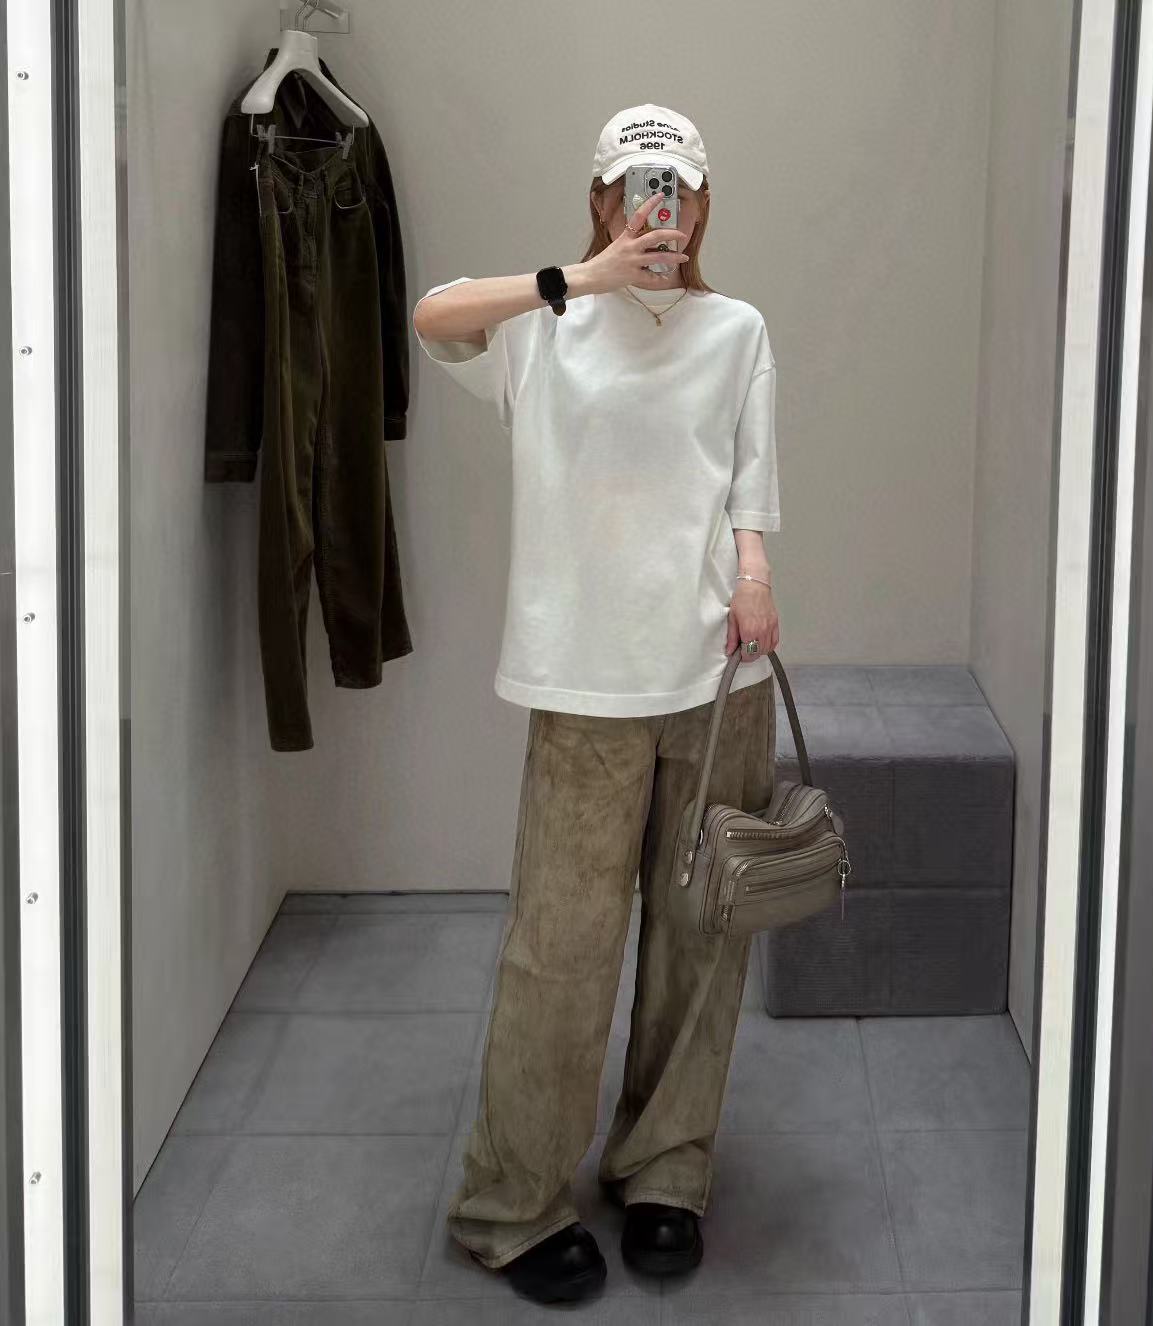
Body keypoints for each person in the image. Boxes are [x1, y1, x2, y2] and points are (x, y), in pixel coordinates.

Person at [411, 103, 782, 1305]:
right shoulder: (543, 324)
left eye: (676, 188)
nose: (657, 208)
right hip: (583, 681)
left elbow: (748, 480)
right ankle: (511, 1203)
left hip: (716, 675)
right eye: (635, 186)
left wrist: (756, 578)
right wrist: (578, 278)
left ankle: (664, 1167)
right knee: (559, 949)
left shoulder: (736, 330)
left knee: (699, 937)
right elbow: (431, 317)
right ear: (602, 198)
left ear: (703, 204)